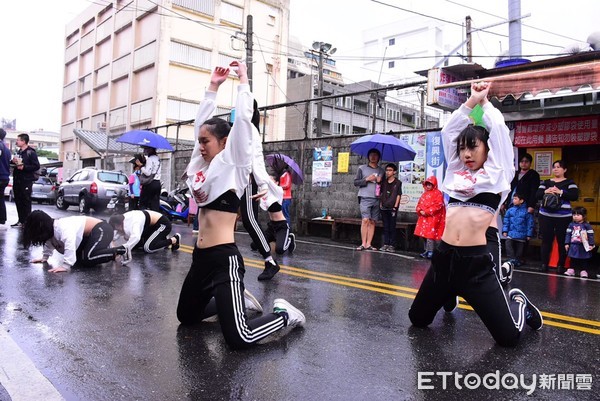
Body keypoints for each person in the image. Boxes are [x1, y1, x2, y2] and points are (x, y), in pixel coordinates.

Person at [177, 62, 305, 350]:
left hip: (224, 259)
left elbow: (244, 123)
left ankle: (285, 314)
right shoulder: (200, 166)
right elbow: (201, 123)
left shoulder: (232, 162)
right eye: (199, 142)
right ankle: (238, 302)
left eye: (206, 141)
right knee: (186, 316)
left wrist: (243, 81)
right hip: (201, 258)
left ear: (224, 142)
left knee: (239, 337)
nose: (200, 146)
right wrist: (212, 87)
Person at [408, 82, 543, 347]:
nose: (467, 153)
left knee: (508, 338)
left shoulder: (497, 173)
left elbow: (500, 133)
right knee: (418, 319)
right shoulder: (455, 172)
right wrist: (469, 101)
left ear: (487, 150)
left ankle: (518, 303)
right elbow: (449, 133)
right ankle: (448, 293)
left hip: (476, 263)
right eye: (463, 148)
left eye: (474, 147)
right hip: (444, 258)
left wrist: (484, 102)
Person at [22, 210, 127, 273]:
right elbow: (48, 243)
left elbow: (70, 245)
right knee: (81, 262)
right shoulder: (50, 232)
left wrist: (65, 266)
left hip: (102, 228)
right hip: (89, 236)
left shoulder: (62, 228)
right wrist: (45, 258)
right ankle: (110, 254)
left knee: (89, 258)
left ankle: (121, 249)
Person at [535, 160, 579, 272]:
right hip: (545, 215)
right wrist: (546, 191)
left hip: (563, 216)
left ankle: (561, 265)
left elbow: (574, 196)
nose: (556, 169)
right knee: (546, 240)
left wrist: (561, 192)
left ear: (564, 170)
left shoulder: (570, 183)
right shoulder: (546, 182)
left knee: (562, 241)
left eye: (559, 167)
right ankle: (544, 264)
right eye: (554, 167)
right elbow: (537, 195)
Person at [108, 210, 181, 264]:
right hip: (150, 227)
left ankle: (174, 239)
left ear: (119, 225)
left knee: (148, 247)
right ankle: (161, 238)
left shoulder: (133, 222)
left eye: (116, 229)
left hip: (163, 224)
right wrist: (113, 250)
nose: (117, 231)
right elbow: (112, 237)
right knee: (132, 243)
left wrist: (121, 251)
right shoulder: (120, 220)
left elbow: (135, 238)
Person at [353, 148, 385, 251]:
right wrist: (367, 179)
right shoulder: (361, 168)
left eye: (375, 155)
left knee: (372, 221)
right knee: (365, 219)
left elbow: (384, 186)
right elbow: (356, 182)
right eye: (371, 155)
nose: (373, 157)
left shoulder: (381, 170)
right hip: (365, 197)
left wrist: (380, 181)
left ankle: (368, 244)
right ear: (368, 156)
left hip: (376, 198)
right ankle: (363, 243)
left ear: (379, 157)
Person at [10, 133, 40, 228]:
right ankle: (21, 220)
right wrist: (13, 161)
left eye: (18, 140)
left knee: (26, 201)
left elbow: (36, 166)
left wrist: (24, 167)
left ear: (23, 141)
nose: (17, 141)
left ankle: (27, 222)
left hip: (26, 180)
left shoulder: (31, 152)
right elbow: (14, 163)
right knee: (18, 200)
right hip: (17, 179)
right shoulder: (19, 152)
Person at [414, 176, 445, 259]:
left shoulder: (438, 193)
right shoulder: (424, 194)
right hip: (424, 218)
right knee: (424, 235)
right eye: (427, 184)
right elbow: (419, 204)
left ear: (434, 185)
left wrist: (427, 212)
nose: (428, 186)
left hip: (433, 218)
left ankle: (431, 251)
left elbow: (438, 205)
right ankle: (427, 250)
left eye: (430, 184)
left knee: (430, 235)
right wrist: (420, 210)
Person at [502, 193, 534, 267]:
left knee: (520, 249)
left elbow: (530, 223)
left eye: (516, 199)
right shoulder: (510, 210)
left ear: (521, 200)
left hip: (522, 233)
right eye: (513, 198)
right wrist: (505, 231)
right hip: (511, 232)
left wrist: (529, 234)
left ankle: (518, 259)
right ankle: (511, 258)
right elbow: (506, 221)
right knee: (508, 244)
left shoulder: (526, 211)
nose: (513, 200)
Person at [564, 206, 595, 278]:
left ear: (584, 216)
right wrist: (567, 243)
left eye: (578, 215)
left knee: (583, 258)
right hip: (573, 245)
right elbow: (568, 234)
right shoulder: (571, 225)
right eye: (574, 215)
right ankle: (571, 269)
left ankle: (583, 270)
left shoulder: (587, 225)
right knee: (572, 258)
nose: (575, 217)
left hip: (583, 245)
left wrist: (591, 244)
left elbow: (591, 235)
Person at [379, 163, 402, 252]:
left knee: (392, 226)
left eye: (390, 170)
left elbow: (399, 195)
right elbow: (381, 193)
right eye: (387, 170)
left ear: (394, 172)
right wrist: (381, 204)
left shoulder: (398, 183)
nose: (388, 172)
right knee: (385, 226)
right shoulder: (383, 182)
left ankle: (392, 245)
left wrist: (395, 207)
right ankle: (385, 244)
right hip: (384, 207)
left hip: (392, 208)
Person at [137, 146, 161, 212]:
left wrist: (141, 166)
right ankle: (155, 220)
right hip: (157, 183)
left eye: (146, 149)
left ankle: (144, 219)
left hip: (150, 183)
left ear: (150, 149)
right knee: (155, 204)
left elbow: (148, 173)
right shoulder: (158, 158)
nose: (144, 150)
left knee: (143, 203)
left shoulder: (150, 159)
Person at [0, 128, 11, 230]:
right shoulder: (7, 149)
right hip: (5, 176)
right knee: (1, 198)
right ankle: (2, 219)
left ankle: (2, 218)